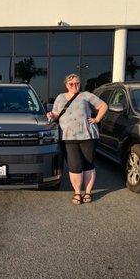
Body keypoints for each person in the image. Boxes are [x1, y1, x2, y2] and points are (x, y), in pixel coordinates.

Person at [47, 73, 108, 205]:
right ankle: (77, 192)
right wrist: (51, 115)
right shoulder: (60, 97)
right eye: (71, 84)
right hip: (68, 137)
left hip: (87, 136)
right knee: (75, 166)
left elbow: (103, 106)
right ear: (66, 85)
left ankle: (87, 192)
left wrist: (96, 119)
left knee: (88, 165)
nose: (75, 85)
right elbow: (56, 115)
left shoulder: (86, 95)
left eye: (77, 83)